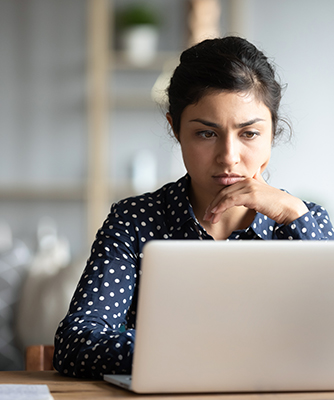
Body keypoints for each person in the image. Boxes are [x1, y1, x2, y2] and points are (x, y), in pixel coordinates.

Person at [53, 36, 334, 378]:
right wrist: (224, 352)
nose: (229, 157)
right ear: (176, 129)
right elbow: (76, 345)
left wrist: (293, 216)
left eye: (249, 134)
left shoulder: (306, 221)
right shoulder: (135, 222)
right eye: (206, 134)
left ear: (272, 133)